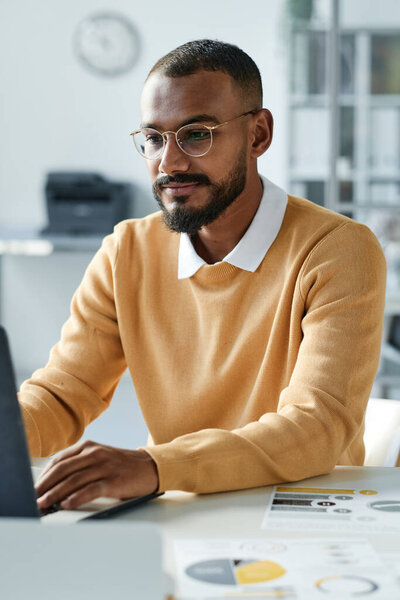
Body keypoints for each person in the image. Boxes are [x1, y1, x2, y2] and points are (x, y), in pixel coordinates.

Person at [19, 39, 386, 513]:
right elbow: (61, 397)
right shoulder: (125, 252)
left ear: (258, 135)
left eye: (196, 135)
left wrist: (153, 467)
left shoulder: (338, 250)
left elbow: (314, 428)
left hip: (301, 511)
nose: (168, 163)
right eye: (153, 138)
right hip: (180, 507)